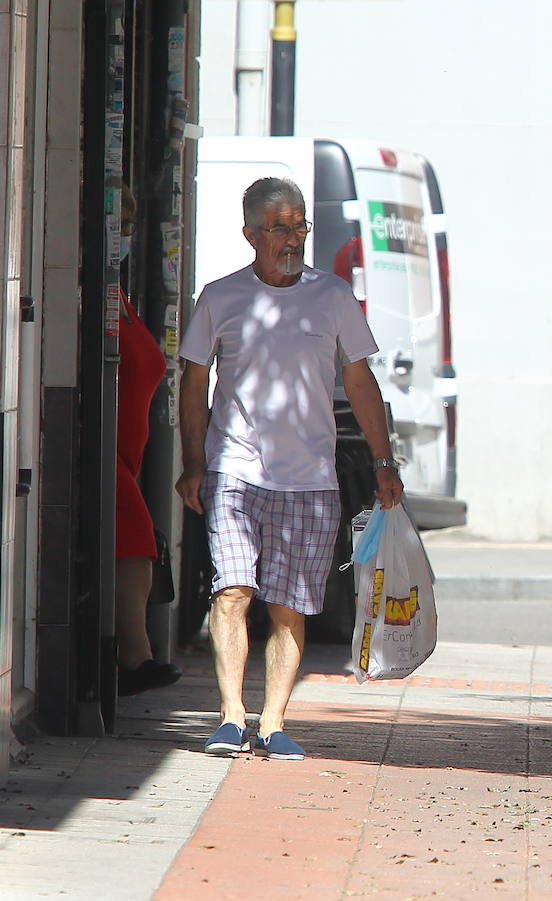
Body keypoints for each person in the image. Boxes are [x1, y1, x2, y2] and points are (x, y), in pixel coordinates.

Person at [176, 177, 403, 760]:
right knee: (232, 590)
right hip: (234, 468)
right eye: (280, 227)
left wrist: (384, 463)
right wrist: (194, 463)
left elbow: (359, 380)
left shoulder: (331, 298)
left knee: (288, 605)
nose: (293, 238)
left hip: (309, 478)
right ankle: (231, 716)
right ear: (250, 234)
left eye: (300, 226)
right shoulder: (220, 298)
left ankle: (273, 722)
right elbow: (195, 382)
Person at [115, 185, 183, 696]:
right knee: (137, 538)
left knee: (135, 541)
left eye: (131, 226)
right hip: (104, 452)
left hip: (125, 453)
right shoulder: (91, 289)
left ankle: (133, 654)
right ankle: (134, 657)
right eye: (120, 223)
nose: (126, 236)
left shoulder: (116, 293)